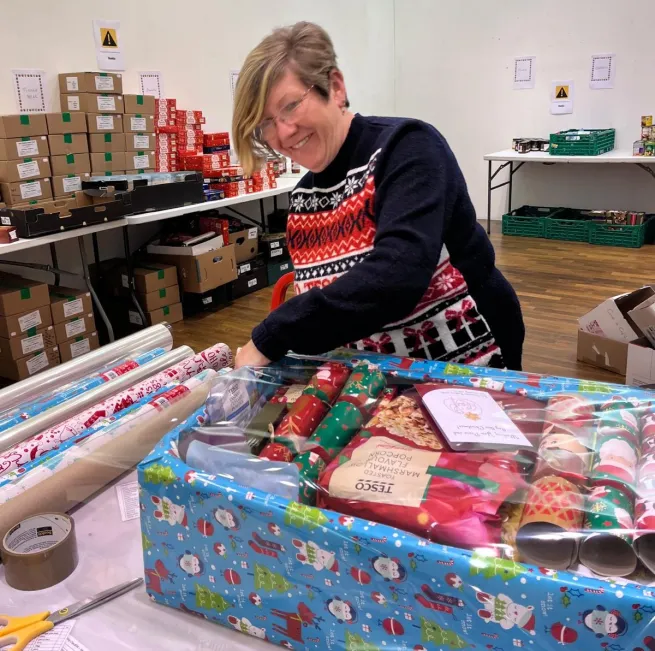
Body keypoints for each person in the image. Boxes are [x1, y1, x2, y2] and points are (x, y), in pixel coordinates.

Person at [232, 22, 524, 370]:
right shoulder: (303, 197)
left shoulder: (408, 148)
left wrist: (272, 335)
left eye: (291, 106)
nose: (283, 131)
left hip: (464, 358)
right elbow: (326, 301)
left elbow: (397, 273)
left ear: (335, 87)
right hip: (376, 372)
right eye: (265, 124)